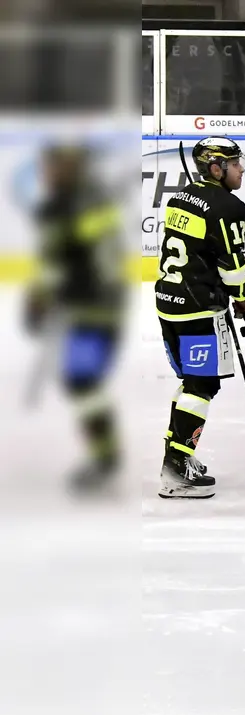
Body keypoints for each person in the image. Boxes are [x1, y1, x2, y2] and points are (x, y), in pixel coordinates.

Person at [152, 137, 245, 499]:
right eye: (234, 163)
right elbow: (233, 268)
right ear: (216, 169)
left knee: (191, 382)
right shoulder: (229, 207)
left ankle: (177, 453)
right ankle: (176, 470)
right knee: (202, 385)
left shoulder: (180, 197)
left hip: (168, 301)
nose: (241, 168)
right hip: (198, 308)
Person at [24, 143, 125, 492]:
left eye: (56, 166)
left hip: (95, 310)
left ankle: (105, 457)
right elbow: (60, 257)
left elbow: (73, 257)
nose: (49, 173)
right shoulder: (75, 202)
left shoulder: (71, 205)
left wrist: (41, 299)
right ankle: (105, 454)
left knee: (82, 380)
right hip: (93, 308)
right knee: (82, 382)